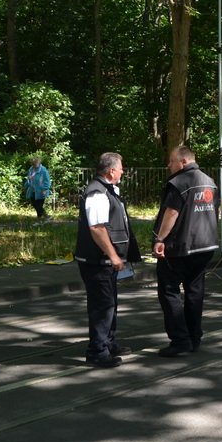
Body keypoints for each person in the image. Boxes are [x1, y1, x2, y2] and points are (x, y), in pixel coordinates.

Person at [152, 145, 219, 357]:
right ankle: (194, 336)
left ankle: (180, 339)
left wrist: (160, 238)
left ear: (183, 162)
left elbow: (171, 213)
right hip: (205, 245)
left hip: (180, 247)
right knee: (194, 291)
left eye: (171, 161)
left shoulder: (179, 183)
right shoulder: (210, 181)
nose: (168, 165)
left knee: (169, 291)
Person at [74, 152, 139, 368]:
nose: (123, 171)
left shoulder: (108, 190)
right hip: (97, 261)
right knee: (102, 306)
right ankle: (97, 351)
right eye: (121, 168)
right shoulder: (97, 192)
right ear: (111, 171)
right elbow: (97, 227)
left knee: (109, 303)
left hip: (105, 261)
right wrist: (113, 256)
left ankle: (108, 343)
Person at [24, 157, 52, 222]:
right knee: (34, 204)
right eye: (33, 164)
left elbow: (47, 181)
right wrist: (26, 186)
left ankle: (43, 218)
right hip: (32, 190)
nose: (34, 165)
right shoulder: (31, 169)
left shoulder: (43, 170)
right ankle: (43, 218)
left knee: (39, 206)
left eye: (35, 164)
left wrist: (45, 189)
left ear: (39, 163)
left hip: (41, 191)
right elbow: (28, 178)